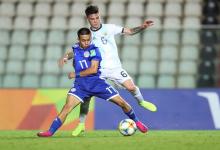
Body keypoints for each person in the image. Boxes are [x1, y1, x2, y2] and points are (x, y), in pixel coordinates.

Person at [65, 5, 157, 136]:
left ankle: (141, 102)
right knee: (86, 97)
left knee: (131, 87)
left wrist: (143, 27)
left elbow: (129, 31)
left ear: (99, 16)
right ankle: (81, 125)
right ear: (88, 19)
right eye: (92, 19)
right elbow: (77, 49)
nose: (95, 20)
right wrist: (66, 57)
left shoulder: (110, 28)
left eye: (97, 17)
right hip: (99, 70)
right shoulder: (88, 36)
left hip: (115, 68)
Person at [37, 27, 148, 137]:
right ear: (78, 39)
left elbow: (93, 69)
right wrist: (65, 57)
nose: (86, 43)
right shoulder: (76, 48)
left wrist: (75, 74)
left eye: (88, 40)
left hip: (97, 84)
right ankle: (50, 132)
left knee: (122, 103)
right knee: (67, 107)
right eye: (83, 40)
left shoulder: (94, 50)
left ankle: (137, 122)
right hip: (80, 86)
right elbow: (73, 53)